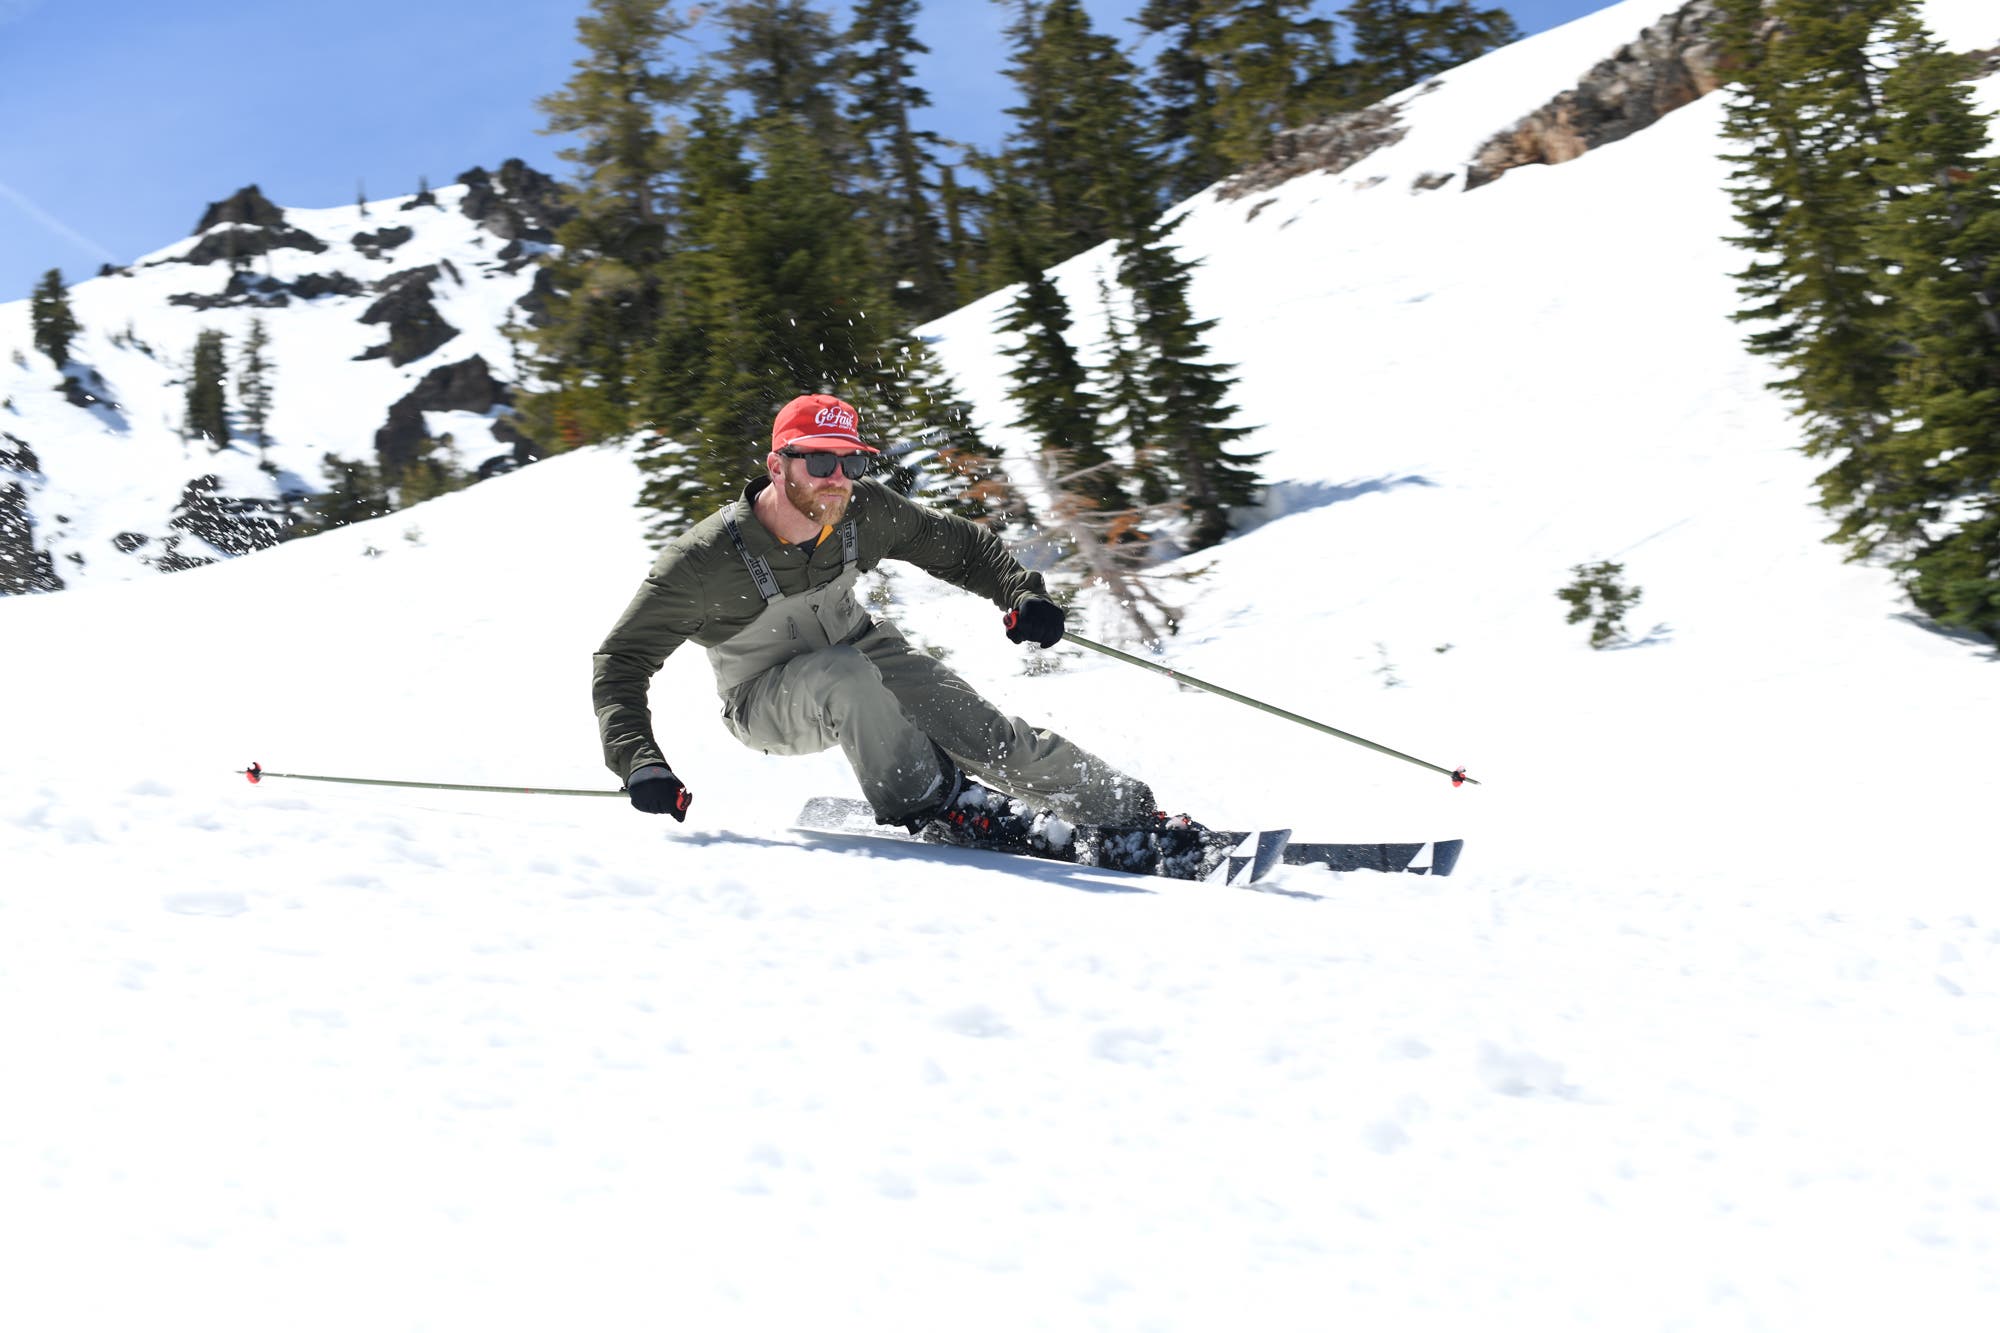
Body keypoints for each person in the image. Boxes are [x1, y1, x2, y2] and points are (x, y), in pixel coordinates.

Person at [591, 393, 1224, 878]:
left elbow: (964, 547)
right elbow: (621, 661)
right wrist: (639, 760)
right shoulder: (702, 562)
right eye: (817, 460)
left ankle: (1132, 818)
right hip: (765, 699)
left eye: (850, 461)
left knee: (992, 736)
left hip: (864, 650)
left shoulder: (862, 511)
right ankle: (937, 805)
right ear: (777, 464)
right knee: (843, 676)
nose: (836, 477)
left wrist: (1020, 594)